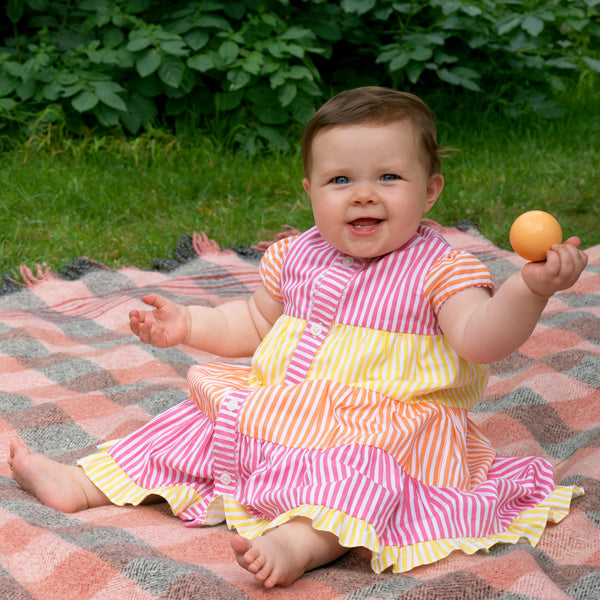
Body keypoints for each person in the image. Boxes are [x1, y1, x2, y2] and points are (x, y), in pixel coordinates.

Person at [9, 87, 589, 588]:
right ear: (311, 190)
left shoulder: (442, 269)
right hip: (284, 416)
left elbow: (481, 339)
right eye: (341, 180)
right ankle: (84, 484)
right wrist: (189, 325)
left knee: (363, 480)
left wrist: (528, 290)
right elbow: (256, 324)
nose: (364, 194)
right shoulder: (298, 255)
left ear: (430, 190)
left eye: (389, 176)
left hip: (386, 433)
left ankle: (297, 545)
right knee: (194, 422)